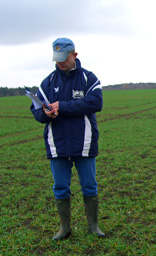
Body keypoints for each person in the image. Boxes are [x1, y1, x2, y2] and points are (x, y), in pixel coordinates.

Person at [30, 37, 105, 240]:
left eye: (64, 58)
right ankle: (64, 228)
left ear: (74, 55)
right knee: (60, 187)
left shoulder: (89, 79)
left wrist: (62, 107)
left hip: (84, 143)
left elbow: (96, 103)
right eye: (57, 59)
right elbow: (36, 112)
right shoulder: (47, 83)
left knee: (89, 185)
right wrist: (46, 114)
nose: (60, 62)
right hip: (58, 145)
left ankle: (93, 226)